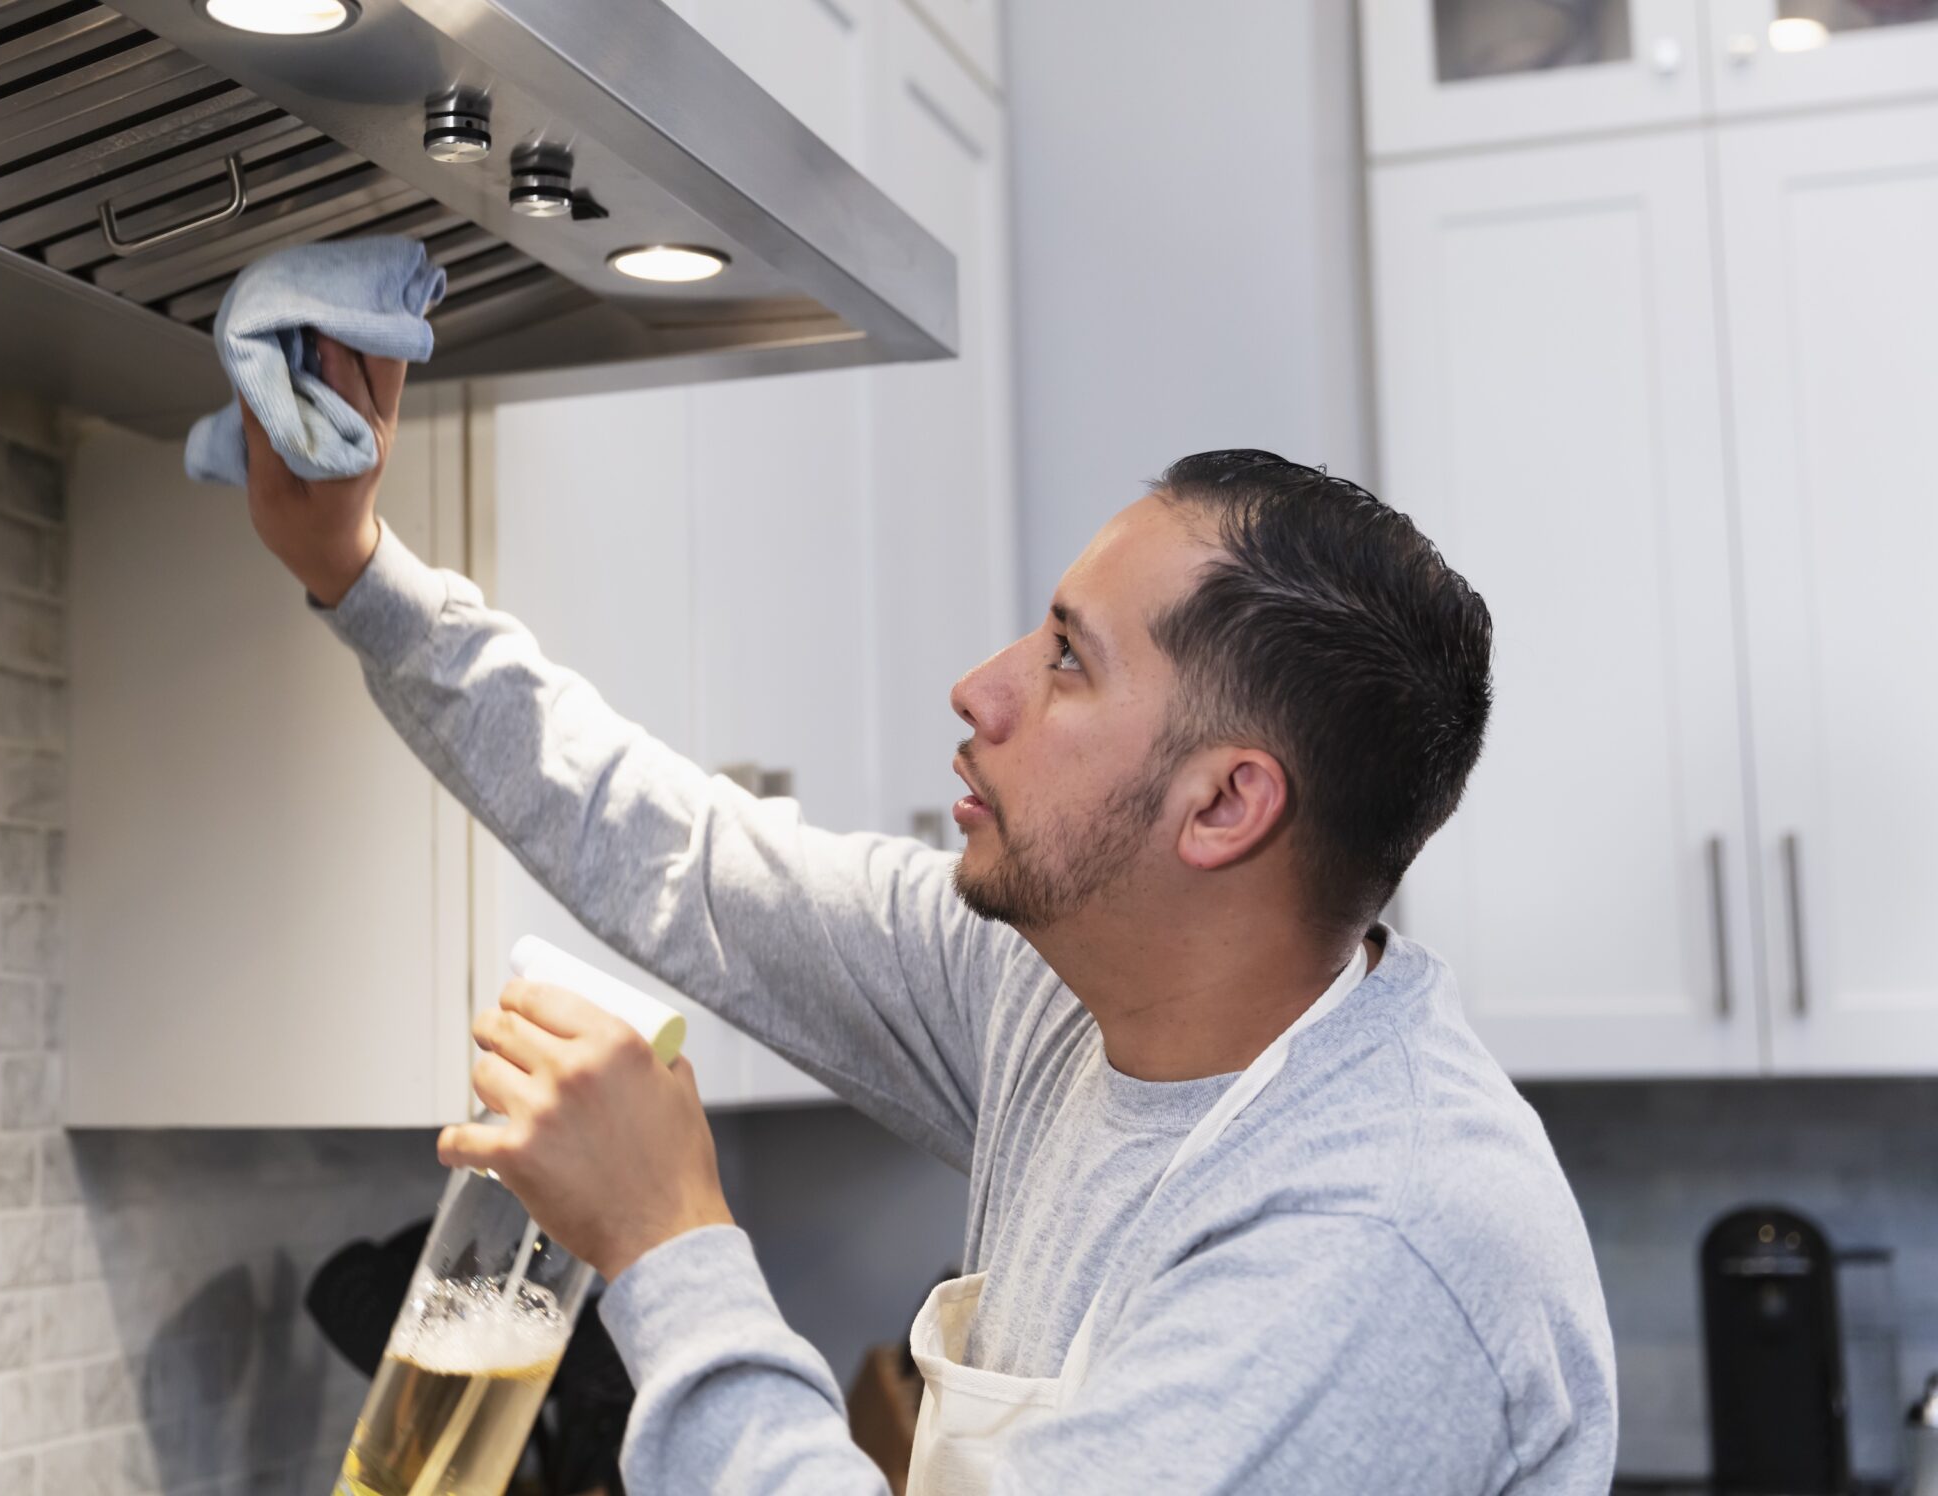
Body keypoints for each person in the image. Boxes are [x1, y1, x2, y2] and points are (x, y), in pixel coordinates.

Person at [248, 338, 1618, 1494]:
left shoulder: (1379, 1246)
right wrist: (358, 570)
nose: (981, 688)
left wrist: (668, 1247)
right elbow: (679, 849)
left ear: (1224, 807)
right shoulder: (1067, 1004)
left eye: (1069, 662)